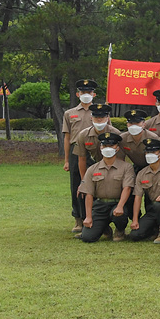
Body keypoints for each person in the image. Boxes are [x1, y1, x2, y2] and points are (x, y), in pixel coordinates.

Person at [77, 132, 134, 243]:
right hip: (100, 205)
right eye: (104, 146)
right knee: (88, 237)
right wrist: (88, 217)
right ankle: (103, 227)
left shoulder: (126, 167)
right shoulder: (93, 169)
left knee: (119, 215)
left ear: (117, 148)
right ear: (100, 148)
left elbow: (127, 188)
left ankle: (120, 230)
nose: (108, 149)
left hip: (117, 203)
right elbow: (89, 193)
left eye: (111, 146)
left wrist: (120, 206)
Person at [128, 139, 160, 243]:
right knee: (135, 235)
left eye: (153, 152)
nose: (149, 155)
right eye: (147, 152)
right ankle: (153, 230)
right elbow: (138, 197)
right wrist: (135, 220)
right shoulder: (142, 173)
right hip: (153, 209)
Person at [63, 78, 98, 233]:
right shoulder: (70, 113)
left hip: (95, 151)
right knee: (77, 185)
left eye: (89, 92)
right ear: (78, 94)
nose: (86, 94)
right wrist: (66, 160)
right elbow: (67, 137)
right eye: (83, 92)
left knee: (97, 183)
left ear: (94, 94)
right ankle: (78, 218)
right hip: (76, 152)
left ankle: (95, 217)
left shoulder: (100, 112)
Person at [71, 103, 113, 179]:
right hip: (91, 166)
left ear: (107, 118)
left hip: (111, 169)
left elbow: (120, 159)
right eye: (96, 117)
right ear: (91, 118)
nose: (99, 119)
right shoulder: (83, 135)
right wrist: (84, 180)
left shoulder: (115, 134)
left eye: (102, 117)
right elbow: (82, 159)